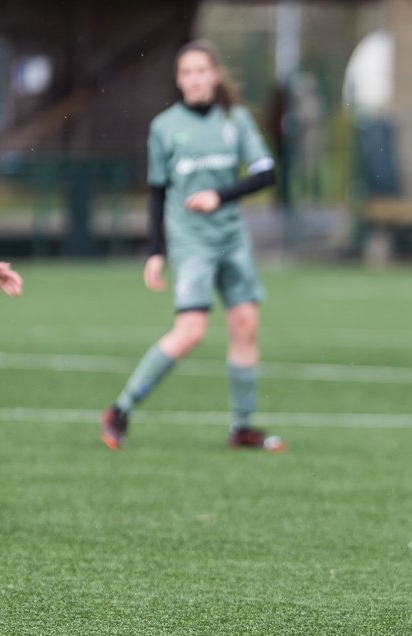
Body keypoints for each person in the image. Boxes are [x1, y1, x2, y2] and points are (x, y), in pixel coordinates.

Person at [100, 41, 283, 452]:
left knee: (245, 326)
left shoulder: (234, 119)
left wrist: (220, 195)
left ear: (214, 75)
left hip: (232, 238)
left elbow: (266, 173)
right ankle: (121, 409)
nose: (195, 78)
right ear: (179, 80)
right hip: (191, 241)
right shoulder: (165, 126)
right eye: (186, 72)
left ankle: (242, 427)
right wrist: (155, 251)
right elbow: (156, 194)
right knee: (190, 332)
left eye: (201, 70)